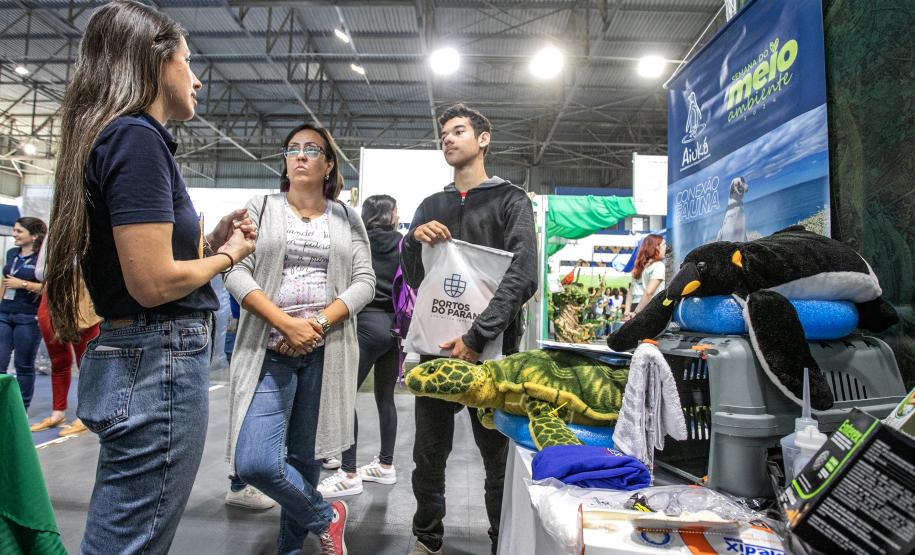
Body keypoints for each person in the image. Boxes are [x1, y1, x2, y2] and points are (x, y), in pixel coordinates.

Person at [43, 2, 257, 552]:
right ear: (159, 62)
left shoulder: (118, 137)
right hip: (156, 358)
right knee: (130, 541)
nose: (198, 78)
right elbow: (153, 284)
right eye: (189, 61)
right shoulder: (136, 138)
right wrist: (229, 256)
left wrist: (205, 246)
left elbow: (140, 266)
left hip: (140, 354)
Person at [224, 122, 375, 555]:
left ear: (329, 164)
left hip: (327, 353)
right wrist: (284, 323)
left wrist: (317, 325)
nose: (301, 155)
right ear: (285, 161)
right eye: (293, 149)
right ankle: (325, 516)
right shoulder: (261, 207)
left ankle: (292, 548)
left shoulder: (347, 217)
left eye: (312, 149)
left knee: (305, 460)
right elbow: (234, 269)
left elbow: (365, 281)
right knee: (253, 460)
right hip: (268, 350)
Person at [401, 104, 537, 555]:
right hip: (436, 353)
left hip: (493, 357)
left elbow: (523, 275)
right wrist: (412, 240)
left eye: (458, 131)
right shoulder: (431, 205)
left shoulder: (510, 200)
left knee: (498, 458)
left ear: (483, 138)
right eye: (443, 134)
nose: (448, 139)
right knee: (428, 456)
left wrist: (478, 337)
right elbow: (416, 280)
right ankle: (427, 536)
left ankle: (503, 541)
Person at [318, 194, 403, 498]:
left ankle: (349, 471)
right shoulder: (404, 242)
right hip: (396, 328)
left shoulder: (358, 241)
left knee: (344, 398)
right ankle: (385, 465)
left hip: (364, 324)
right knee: (385, 398)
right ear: (391, 214)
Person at [29, 241, 101, 435]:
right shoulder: (54, 232)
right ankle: (58, 411)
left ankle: (86, 414)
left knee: (85, 362)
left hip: (82, 299)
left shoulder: (87, 228)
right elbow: (40, 272)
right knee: (59, 361)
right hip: (54, 298)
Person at [0, 217, 47, 410]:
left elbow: (49, 289)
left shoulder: (41, 259)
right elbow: (5, 281)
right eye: (14, 230)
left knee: (24, 365)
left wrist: (23, 284)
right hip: (4, 314)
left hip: (28, 317)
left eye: (19, 231)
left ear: (34, 235)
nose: (14, 234)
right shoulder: (12, 254)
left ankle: (21, 409)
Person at [624, 234, 667, 320]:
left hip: (635, 306)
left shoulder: (639, 266)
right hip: (648, 308)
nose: (665, 247)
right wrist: (636, 313)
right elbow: (649, 293)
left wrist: (627, 311)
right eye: (663, 244)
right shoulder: (658, 266)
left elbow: (630, 292)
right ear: (656, 247)